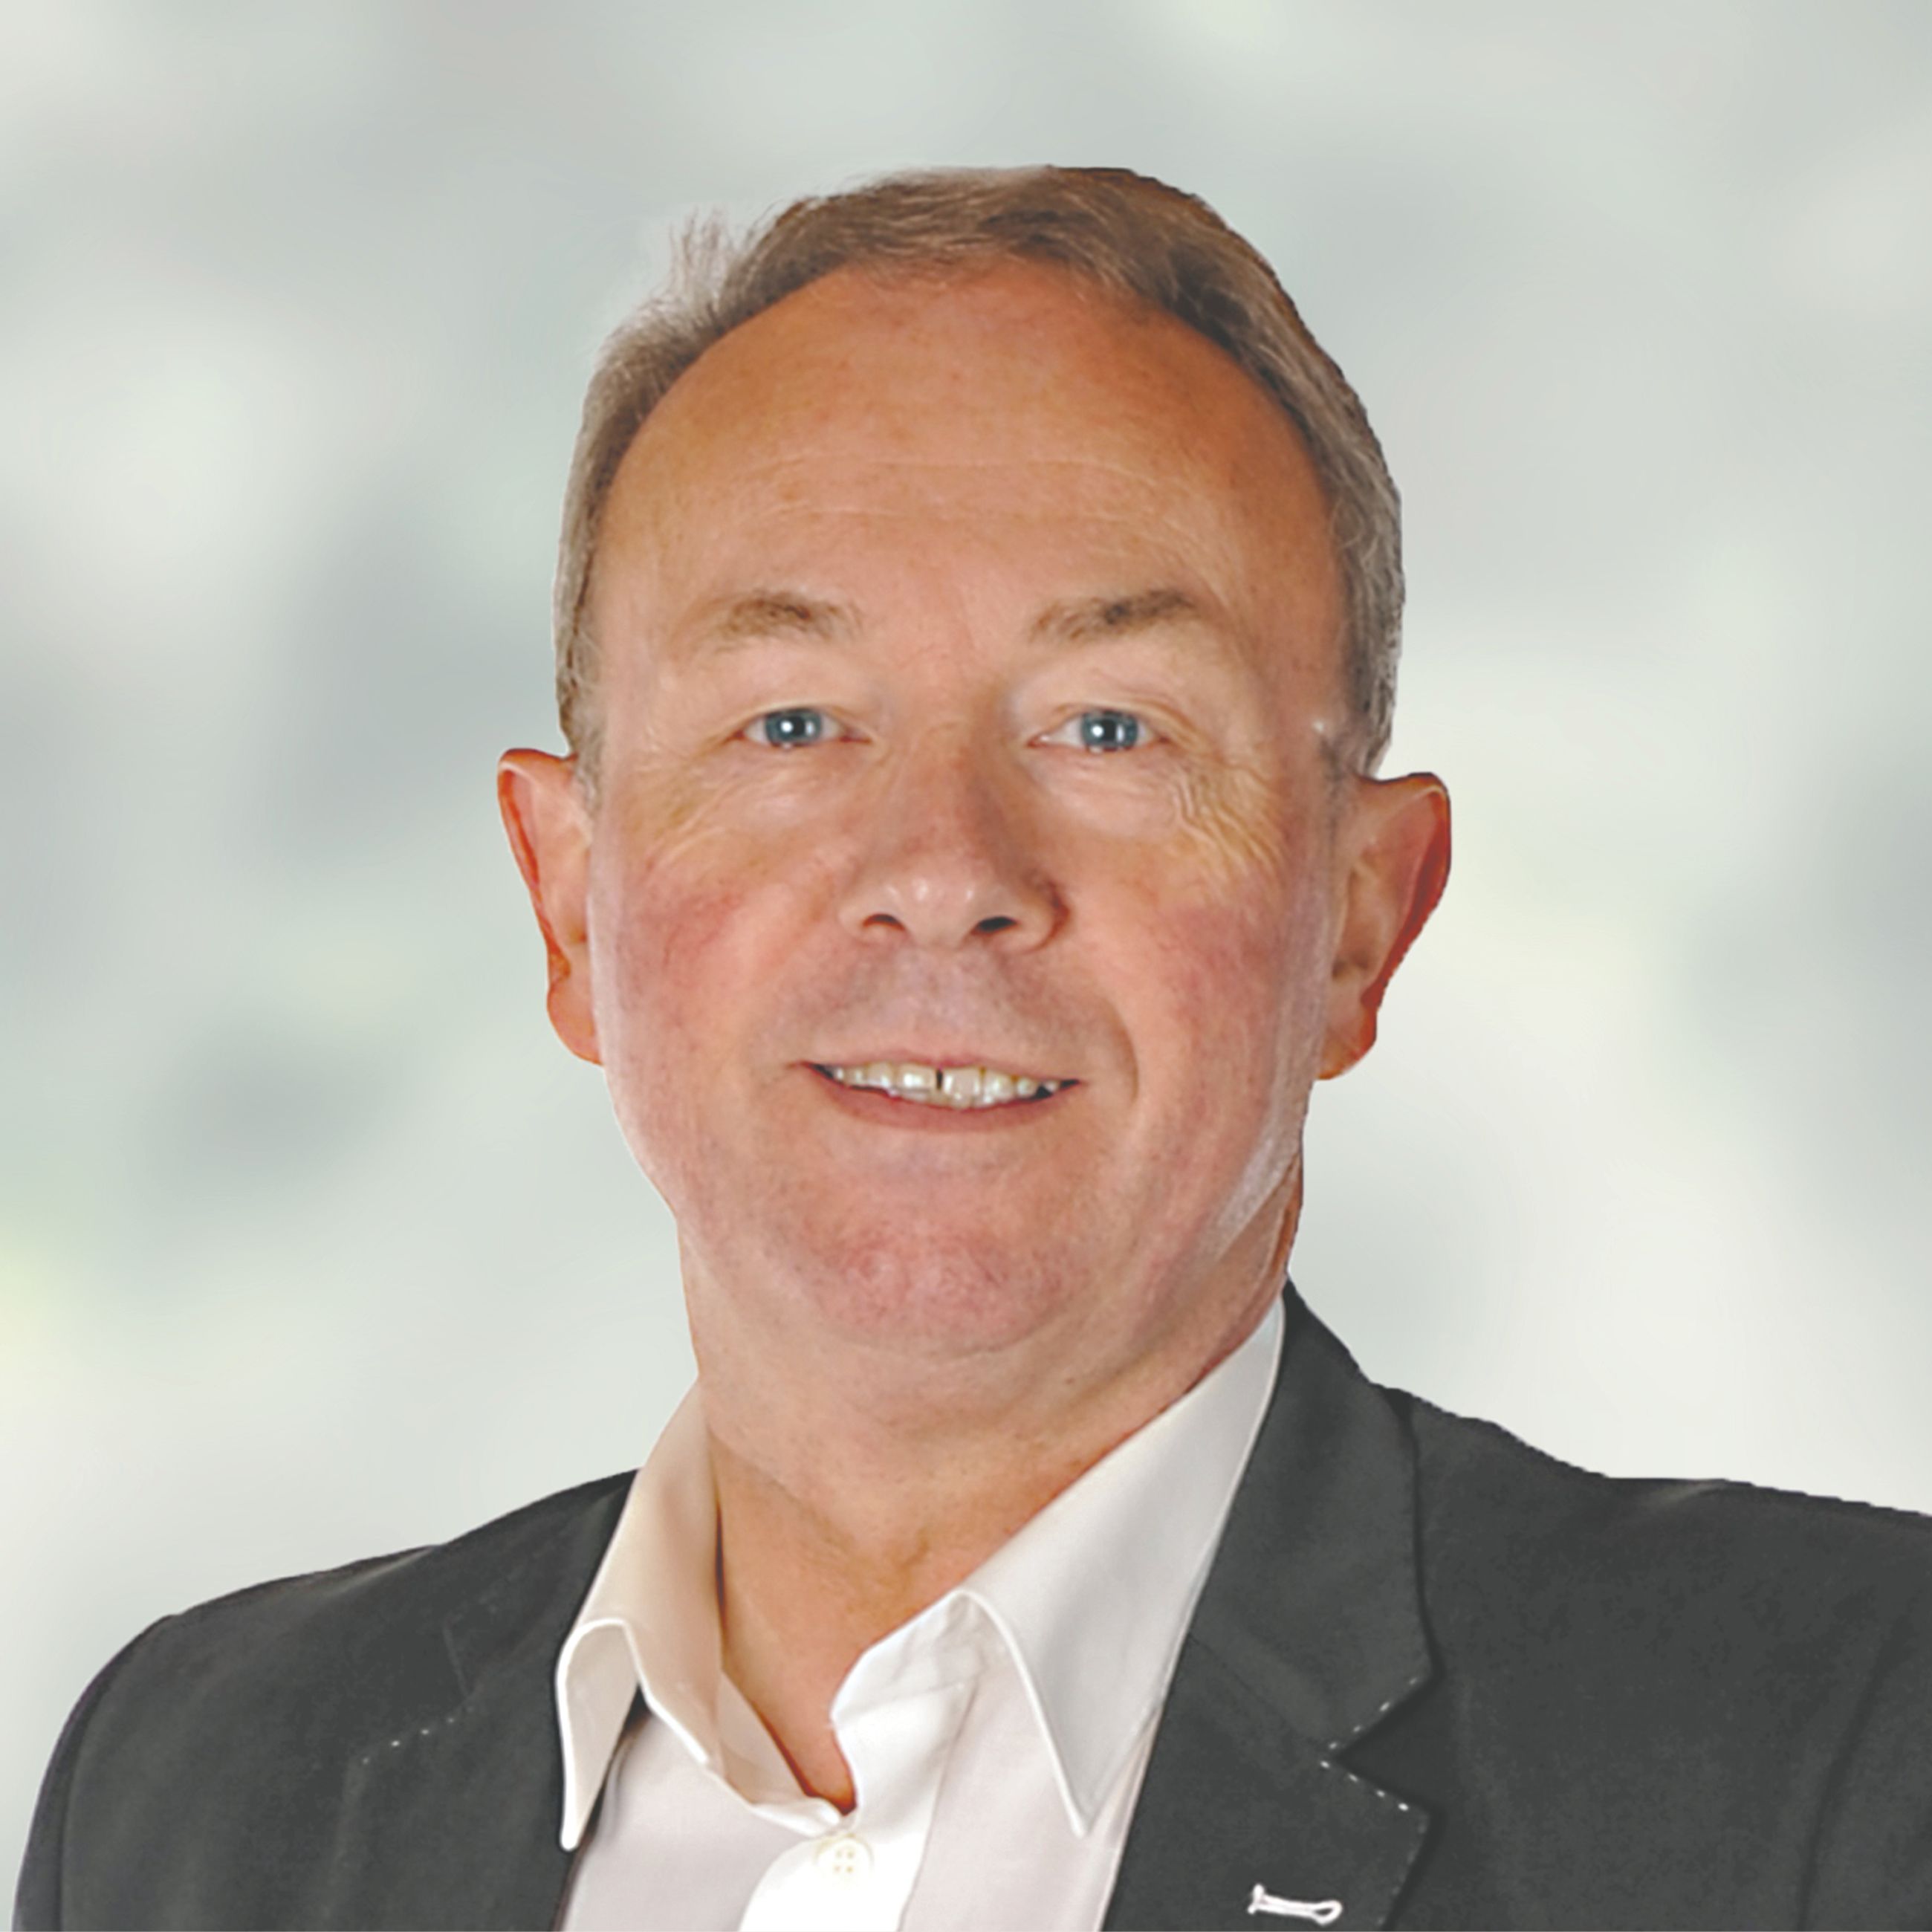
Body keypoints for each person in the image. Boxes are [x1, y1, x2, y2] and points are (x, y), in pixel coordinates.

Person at [15, 165, 1932, 1932]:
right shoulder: (195, 1798)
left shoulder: (1841, 1756)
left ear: (1362, 918)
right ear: (569, 905)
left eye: (1110, 728)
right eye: (790, 725)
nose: (943, 874)